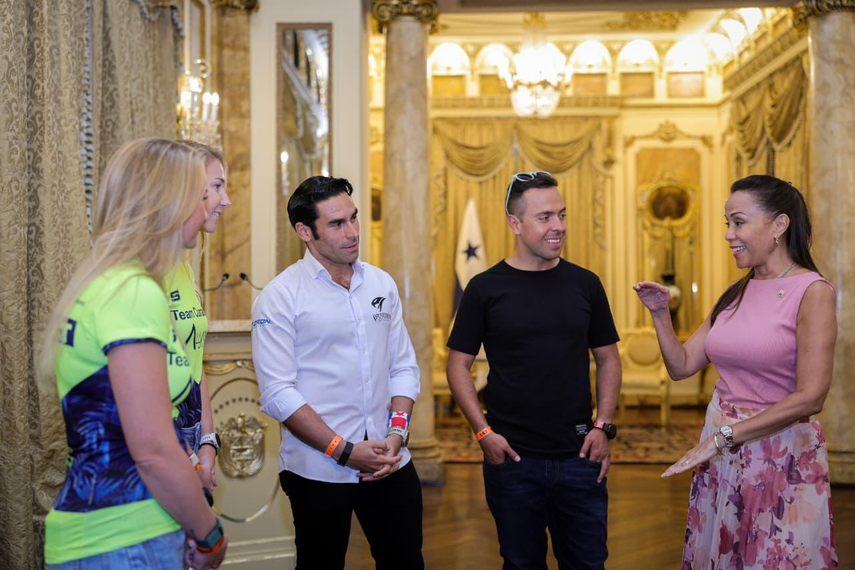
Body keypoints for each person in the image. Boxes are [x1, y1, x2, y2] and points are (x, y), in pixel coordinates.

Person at [38, 138, 227, 569]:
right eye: (197, 196)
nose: (206, 210)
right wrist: (210, 534)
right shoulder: (134, 291)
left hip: (116, 532)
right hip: (125, 536)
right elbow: (153, 451)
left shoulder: (113, 281)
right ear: (168, 203)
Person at [634, 175, 838, 568]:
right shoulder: (734, 293)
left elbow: (811, 396)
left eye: (739, 222)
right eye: (727, 223)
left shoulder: (813, 292)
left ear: (779, 225)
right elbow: (681, 366)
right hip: (721, 457)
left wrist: (724, 437)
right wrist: (660, 314)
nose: (728, 234)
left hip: (780, 455)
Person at [446, 171, 622, 569]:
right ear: (515, 223)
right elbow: (457, 366)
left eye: (562, 214)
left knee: (588, 563)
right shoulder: (484, 288)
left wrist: (603, 426)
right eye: (545, 217)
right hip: (512, 460)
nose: (558, 225)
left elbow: (608, 358)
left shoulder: (586, 284)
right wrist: (483, 433)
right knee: (521, 563)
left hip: (580, 456)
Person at [250, 175, 424, 569]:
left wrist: (396, 435)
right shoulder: (280, 297)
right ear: (304, 232)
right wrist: (343, 451)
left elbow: (402, 366)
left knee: (406, 562)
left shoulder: (381, 283)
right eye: (337, 223)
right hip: (318, 470)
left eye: (354, 218)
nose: (352, 232)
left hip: (389, 460)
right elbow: (278, 393)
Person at [167, 141, 232, 493]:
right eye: (217, 186)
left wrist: (207, 442)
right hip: (164, 439)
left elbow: (195, 361)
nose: (226, 200)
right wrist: (187, 456)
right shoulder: (146, 274)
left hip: (190, 430)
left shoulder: (185, 266)